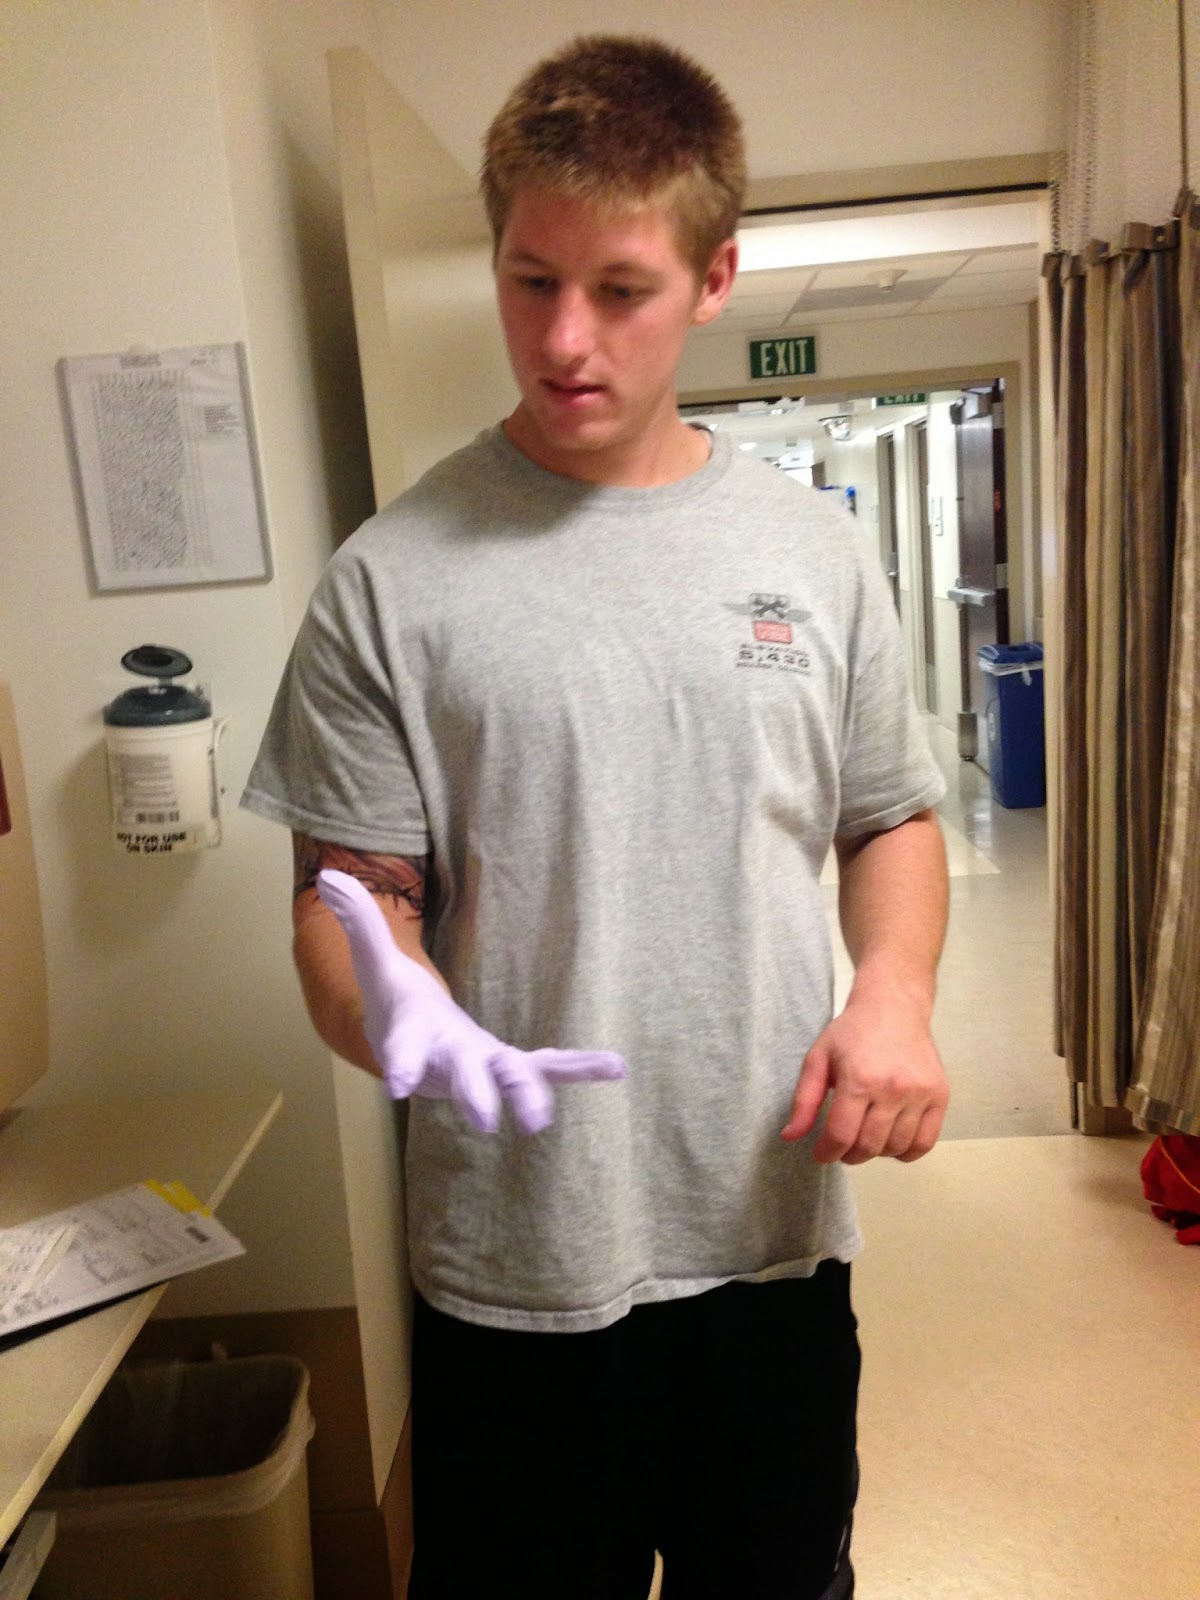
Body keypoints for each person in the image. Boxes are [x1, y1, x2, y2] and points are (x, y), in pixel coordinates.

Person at [243, 33, 950, 1600]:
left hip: (769, 1228)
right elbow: (348, 895)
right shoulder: (389, 581)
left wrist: (894, 994)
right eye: (530, 280)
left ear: (713, 279)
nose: (565, 339)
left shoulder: (814, 554)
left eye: (621, 289)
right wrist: (390, 1003)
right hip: (517, 1262)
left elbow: (889, 815)